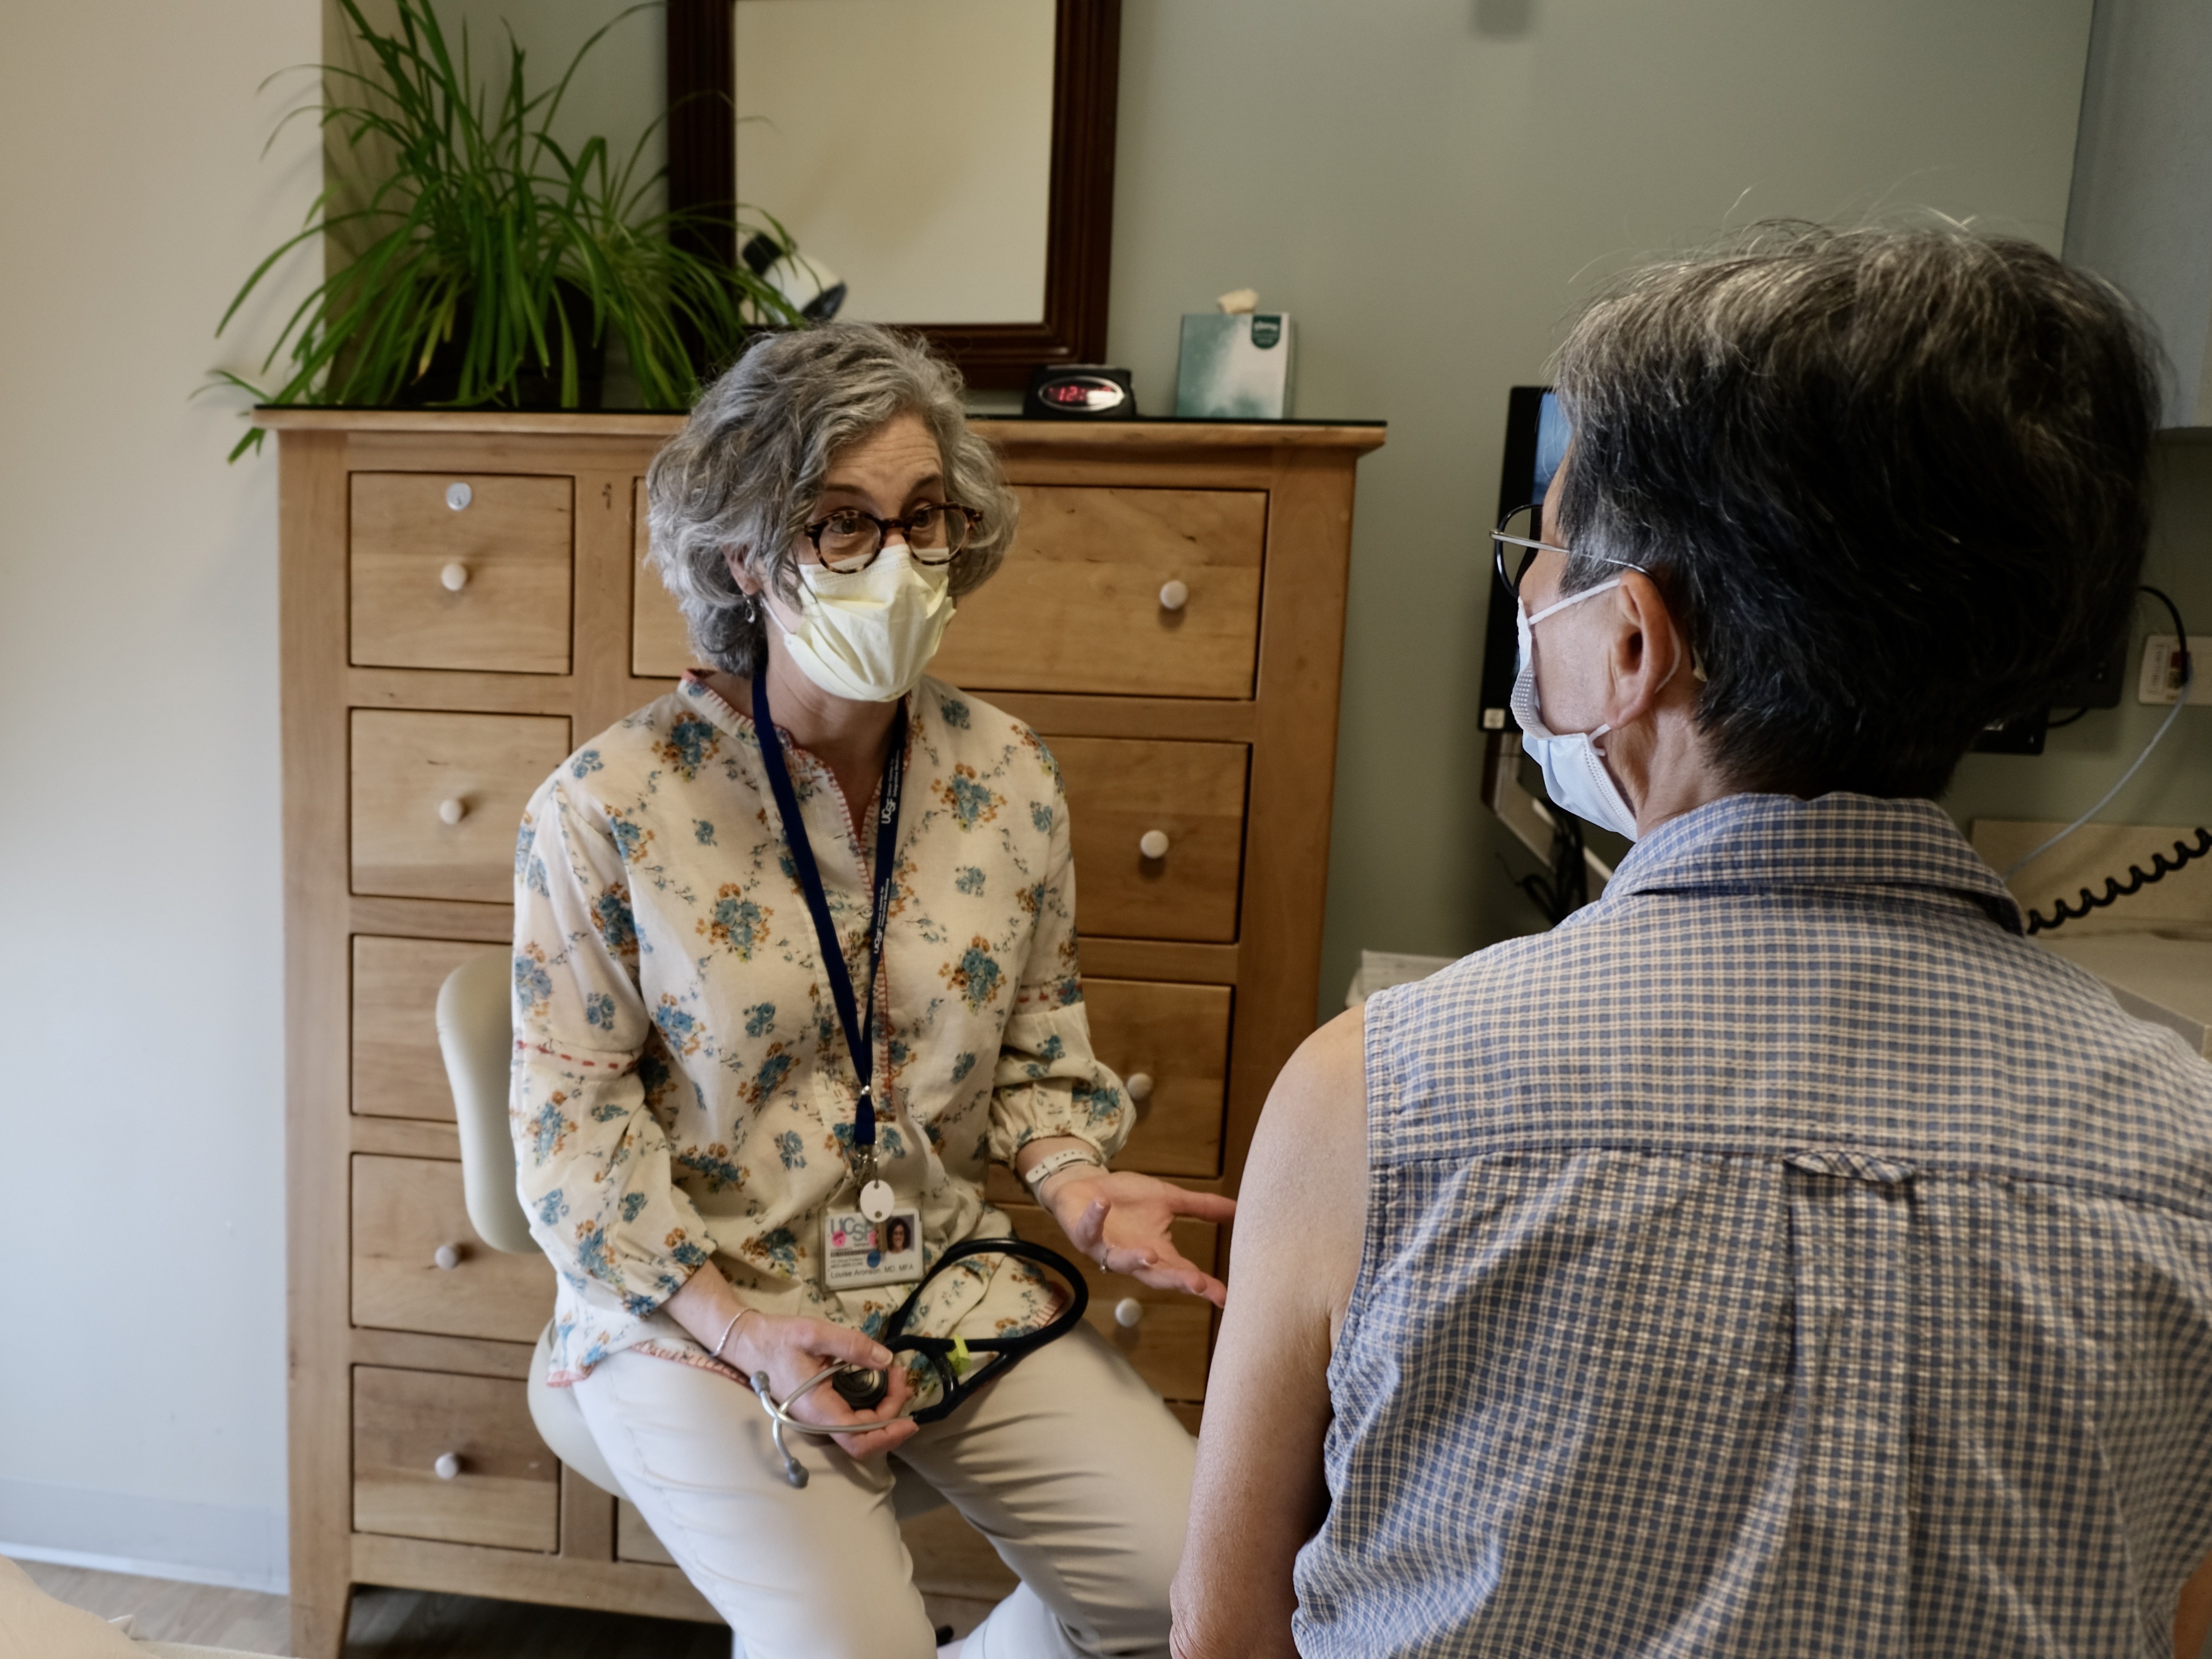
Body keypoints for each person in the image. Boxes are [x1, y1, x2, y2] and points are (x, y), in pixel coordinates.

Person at [1170, 223, 2212, 1657]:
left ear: (1632, 642)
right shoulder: (2187, 1144)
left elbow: (1225, 1629)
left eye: (1541, 551)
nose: (1525, 594)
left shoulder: (1375, 1095)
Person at [511, 321, 1233, 1659]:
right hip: (694, 1305)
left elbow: (1035, 1046)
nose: (896, 561)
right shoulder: (606, 807)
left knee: (1204, 1600)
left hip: (934, 1278)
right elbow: (573, 1138)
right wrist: (744, 1330)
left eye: (923, 519)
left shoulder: (1007, 775)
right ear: (746, 553)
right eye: (841, 525)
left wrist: (1076, 1182)